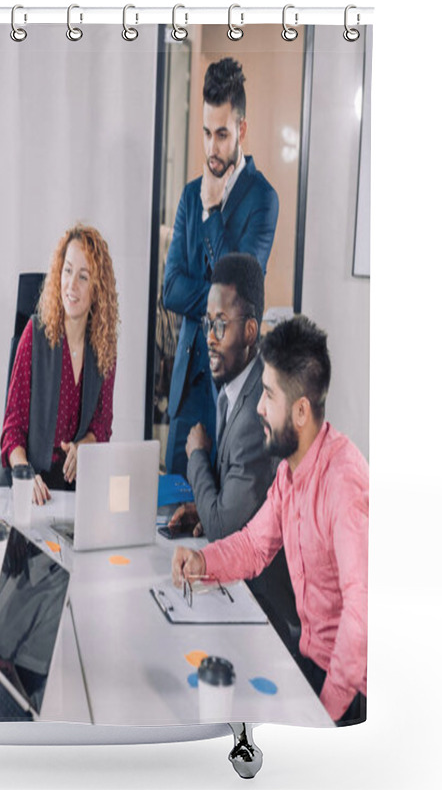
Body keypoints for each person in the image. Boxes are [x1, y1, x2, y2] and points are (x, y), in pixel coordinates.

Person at [171, 316, 368, 725]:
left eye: (268, 395)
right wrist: (202, 561)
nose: (259, 408)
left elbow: (360, 614)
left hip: (352, 693)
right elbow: (254, 545)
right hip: (311, 664)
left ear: (300, 411)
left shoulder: (343, 483)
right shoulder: (290, 472)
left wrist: (323, 716)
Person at [164, 255, 298, 651]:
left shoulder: (259, 407)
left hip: (267, 609)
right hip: (239, 579)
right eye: (208, 322)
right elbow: (232, 504)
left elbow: (224, 527)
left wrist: (196, 456)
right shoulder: (238, 385)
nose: (209, 336)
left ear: (251, 330)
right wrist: (201, 508)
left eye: (221, 324)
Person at [162, 57, 279, 476]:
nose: (212, 148)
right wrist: (216, 307)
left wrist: (213, 214)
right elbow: (170, 288)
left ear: (241, 131)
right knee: (167, 518)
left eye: (223, 135)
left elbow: (239, 296)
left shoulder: (263, 201)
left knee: (216, 524)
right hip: (186, 393)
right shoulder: (189, 195)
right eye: (207, 134)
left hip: (229, 394)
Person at [0, 224, 119, 505]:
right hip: (29, 478)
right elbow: (12, 429)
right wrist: (24, 473)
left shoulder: (103, 345)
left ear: (98, 288)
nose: (71, 285)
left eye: (83, 276)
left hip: (73, 486)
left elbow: (102, 424)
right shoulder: (35, 334)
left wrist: (83, 447)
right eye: (67, 271)